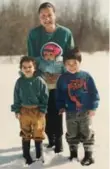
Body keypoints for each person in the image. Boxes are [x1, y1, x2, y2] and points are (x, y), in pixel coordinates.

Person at [27, 2, 74, 153]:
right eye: (43, 16)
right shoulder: (34, 34)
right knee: (44, 111)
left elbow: (72, 57)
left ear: (55, 15)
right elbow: (32, 58)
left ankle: (59, 139)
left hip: (59, 80)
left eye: (49, 15)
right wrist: (42, 73)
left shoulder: (65, 33)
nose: (46, 18)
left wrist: (63, 74)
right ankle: (50, 137)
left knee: (57, 110)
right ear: (39, 18)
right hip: (41, 80)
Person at [56, 47, 100, 165]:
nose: (72, 66)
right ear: (65, 64)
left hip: (85, 111)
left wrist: (93, 107)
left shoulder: (86, 76)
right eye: (68, 64)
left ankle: (88, 155)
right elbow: (59, 93)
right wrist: (60, 106)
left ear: (79, 62)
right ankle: (73, 154)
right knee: (72, 133)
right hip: (70, 111)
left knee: (87, 132)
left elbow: (93, 93)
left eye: (74, 63)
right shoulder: (63, 78)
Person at [11, 56, 48, 165]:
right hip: (24, 111)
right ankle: (26, 154)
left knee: (38, 131)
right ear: (21, 68)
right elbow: (16, 96)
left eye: (29, 67)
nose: (27, 69)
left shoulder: (40, 81)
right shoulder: (19, 82)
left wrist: (42, 109)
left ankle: (39, 154)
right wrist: (17, 110)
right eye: (24, 67)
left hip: (37, 111)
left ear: (34, 68)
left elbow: (44, 97)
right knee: (25, 131)